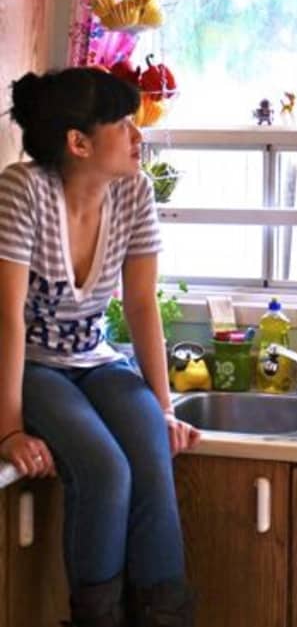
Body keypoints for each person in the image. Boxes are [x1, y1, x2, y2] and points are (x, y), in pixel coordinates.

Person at [0, 67, 199, 627]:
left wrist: (164, 408)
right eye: (124, 125)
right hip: (34, 367)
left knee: (153, 456)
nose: (139, 137)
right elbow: (7, 317)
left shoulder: (134, 191)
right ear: (79, 143)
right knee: (106, 471)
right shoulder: (24, 190)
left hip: (97, 359)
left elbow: (140, 305)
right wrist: (10, 427)